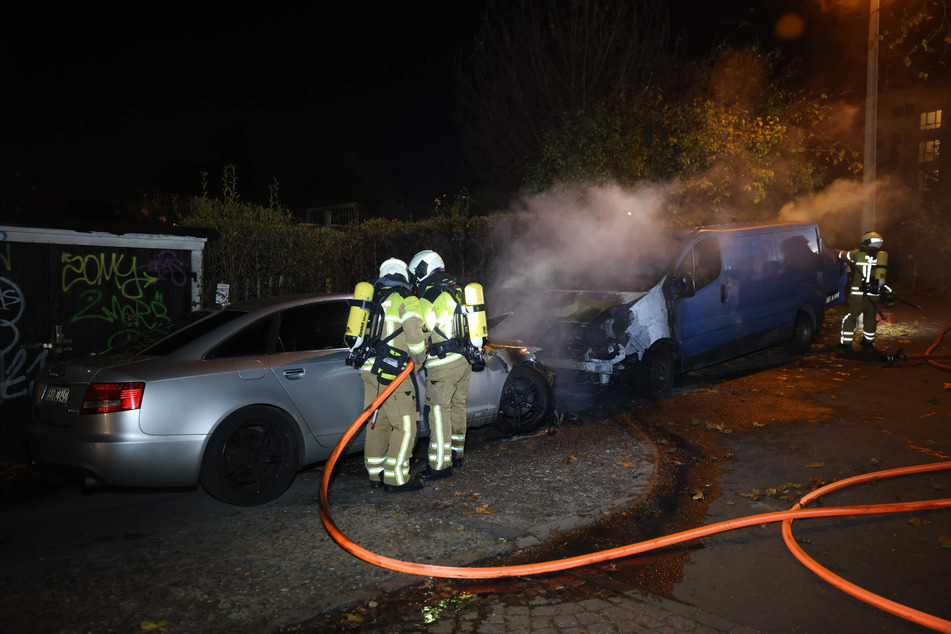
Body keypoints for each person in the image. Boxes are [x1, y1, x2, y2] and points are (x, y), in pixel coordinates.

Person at [358, 258, 428, 492]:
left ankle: (375, 475)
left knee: (377, 421)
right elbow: (415, 338)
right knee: (406, 425)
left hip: (368, 369)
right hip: (394, 371)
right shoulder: (407, 299)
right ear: (404, 276)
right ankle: (396, 478)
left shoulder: (369, 299)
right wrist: (418, 362)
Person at [409, 250, 472, 480]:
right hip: (463, 360)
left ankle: (439, 465)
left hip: (443, 364)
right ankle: (456, 454)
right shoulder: (457, 290)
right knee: (457, 407)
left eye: (415, 274)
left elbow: (420, 334)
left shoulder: (430, 297)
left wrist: (414, 358)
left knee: (438, 412)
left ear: (423, 271)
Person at [838, 231, 893, 353]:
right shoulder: (881, 256)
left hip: (858, 295)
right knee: (870, 318)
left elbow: (840, 254)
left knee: (849, 317)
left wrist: (828, 246)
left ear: (866, 241)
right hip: (874, 295)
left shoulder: (857, 255)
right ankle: (868, 343)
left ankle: (846, 343)